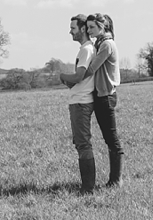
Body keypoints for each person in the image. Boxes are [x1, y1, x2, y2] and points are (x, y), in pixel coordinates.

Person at [83, 13, 124, 187]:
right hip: (100, 95)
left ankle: (116, 180)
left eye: (92, 27)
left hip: (106, 96)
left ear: (103, 27)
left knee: (112, 139)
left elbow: (91, 68)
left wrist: (73, 77)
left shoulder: (106, 44)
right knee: (108, 138)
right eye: (88, 27)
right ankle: (114, 179)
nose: (88, 30)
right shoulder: (100, 43)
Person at [59, 14, 97, 194]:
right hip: (79, 101)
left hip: (81, 102)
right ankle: (86, 186)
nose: (70, 32)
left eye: (73, 28)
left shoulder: (86, 49)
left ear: (82, 29)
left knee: (83, 144)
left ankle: (88, 187)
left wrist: (62, 76)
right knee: (81, 143)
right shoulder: (86, 49)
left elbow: (79, 76)